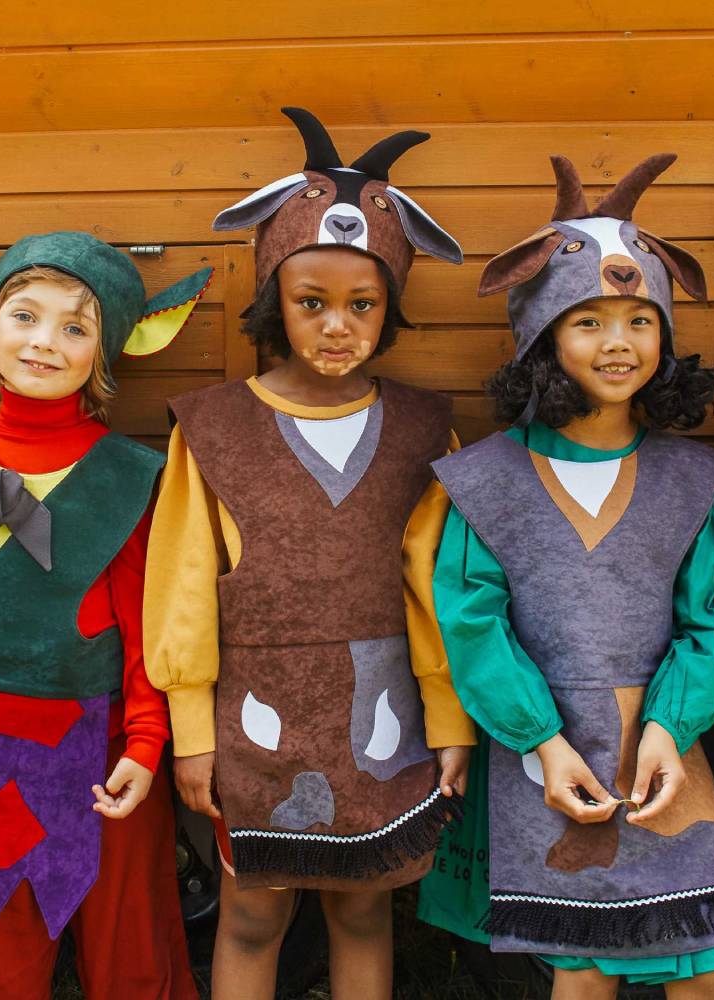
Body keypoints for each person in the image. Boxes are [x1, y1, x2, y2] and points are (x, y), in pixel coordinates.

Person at [143, 107, 476, 999]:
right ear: (273, 299)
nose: (337, 326)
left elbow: (437, 585)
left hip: (386, 711)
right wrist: (191, 733)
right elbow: (180, 586)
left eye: (361, 306)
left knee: (363, 909)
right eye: (312, 303)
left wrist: (447, 720)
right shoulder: (212, 428)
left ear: (390, 309)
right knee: (254, 911)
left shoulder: (421, 429)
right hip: (254, 713)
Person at [431, 153, 714, 999]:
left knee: (702, 964)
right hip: (549, 764)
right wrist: (541, 742)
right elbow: (472, 622)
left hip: (668, 751)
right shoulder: (488, 479)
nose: (618, 342)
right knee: (583, 971)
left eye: (639, 319)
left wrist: (672, 724)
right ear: (543, 337)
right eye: (589, 320)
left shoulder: (695, 479)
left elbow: (710, 619)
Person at [0, 228, 212, 999]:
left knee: (132, 946)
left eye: (75, 327)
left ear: (109, 350)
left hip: (104, 755)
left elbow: (154, 624)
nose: (44, 342)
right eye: (25, 316)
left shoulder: (129, 478)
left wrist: (148, 742)